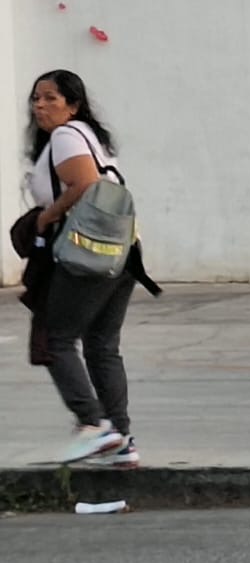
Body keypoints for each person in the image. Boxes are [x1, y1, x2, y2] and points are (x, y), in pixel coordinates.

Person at [24, 70, 154, 465]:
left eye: (50, 98)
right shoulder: (91, 137)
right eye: (36, 98)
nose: (40, 106)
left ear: (73, 105)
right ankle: (121, 440)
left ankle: (94, 424)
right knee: (102, 345)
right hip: (122, 252)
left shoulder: (66, 136)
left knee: (58, 338)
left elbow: (84, 184)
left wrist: (46, 218)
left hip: (88, 253)